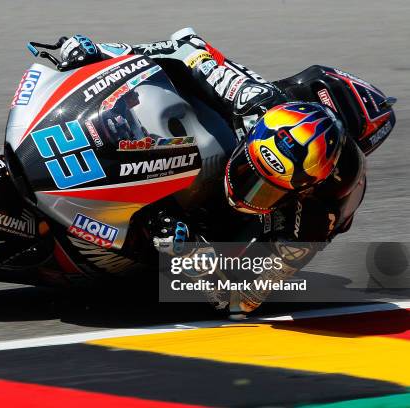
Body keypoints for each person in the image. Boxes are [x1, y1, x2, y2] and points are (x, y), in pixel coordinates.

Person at [57, 29, 382, 315]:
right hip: (219, 131)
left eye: (265, 189)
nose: (246, 191)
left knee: (171, 270)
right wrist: (99, 53)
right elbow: (185, 46)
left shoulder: (309, 224)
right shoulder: (252, 99)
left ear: (301, 192)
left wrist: (192, 258)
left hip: (242, 231)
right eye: (247, 171)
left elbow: (243, 301)